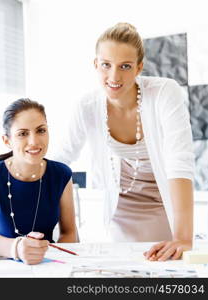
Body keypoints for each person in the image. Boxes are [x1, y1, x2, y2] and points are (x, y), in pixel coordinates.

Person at [58, 23, 194, 261]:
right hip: (120, 209)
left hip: (165, 205)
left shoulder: (165, 93)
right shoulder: (87, 106)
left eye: (125, 66)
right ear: (95, 64)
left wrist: (183, 238)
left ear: (139, 68)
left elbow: (179, 161)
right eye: (106, 65)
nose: (114, 77)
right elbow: (61, 160)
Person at [0, 99, 78, 265]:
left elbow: (70, 233)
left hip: (45, 264)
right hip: (0, 265)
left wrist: (56, 263)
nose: (34, 141)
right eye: (22, 134)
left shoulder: (62, 174)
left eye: (41, 130)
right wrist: (17, 248)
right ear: (7, 141)